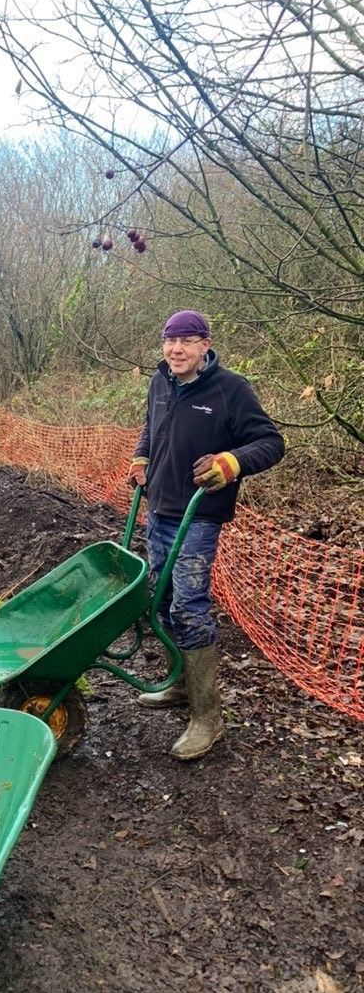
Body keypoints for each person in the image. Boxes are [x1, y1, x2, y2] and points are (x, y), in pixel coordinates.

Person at [128, 310, 285, 760]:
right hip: (158, 509)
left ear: (204, 345)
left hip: (198, 515)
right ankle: (180, 683)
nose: (175, 349)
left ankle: (208, 717)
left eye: (186, 341)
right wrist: (142, 459)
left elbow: (270, 442)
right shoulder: (160, 382)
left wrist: (231, 463)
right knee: (160, 599)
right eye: (169, 341)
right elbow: (151, 429)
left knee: (190, 608)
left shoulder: (230, 390)